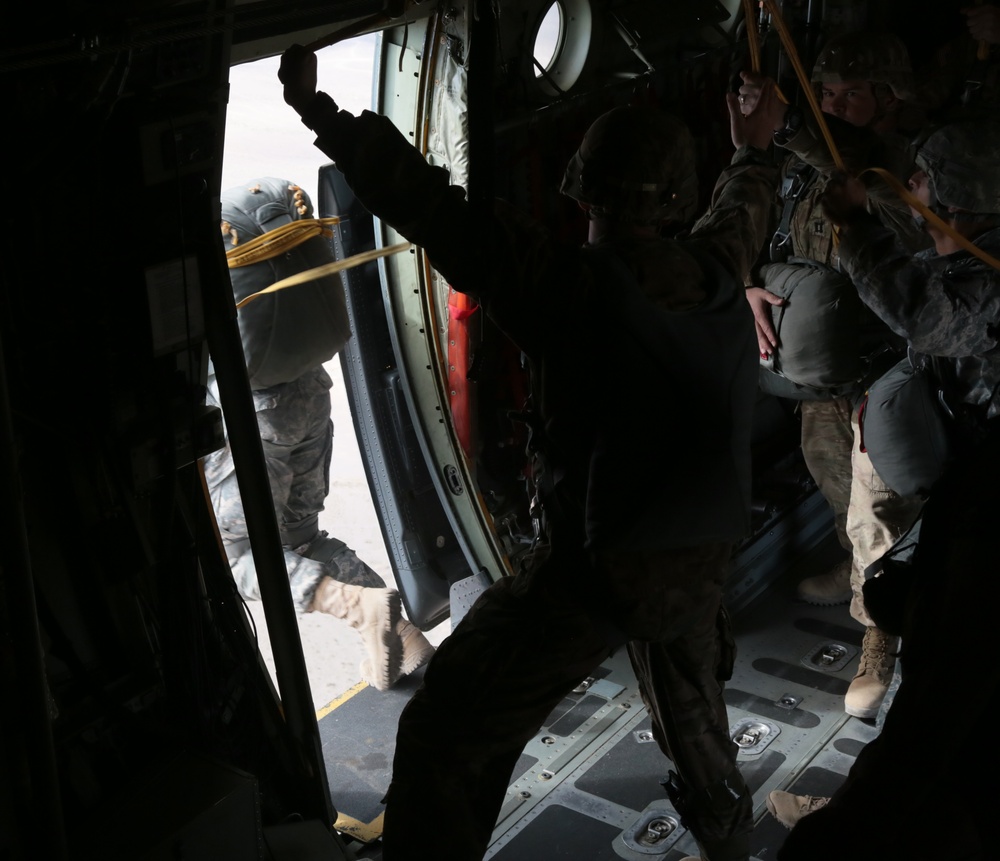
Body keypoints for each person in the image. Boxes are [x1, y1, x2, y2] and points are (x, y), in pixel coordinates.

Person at [277, 42, 786, 861]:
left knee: (448, 728)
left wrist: (320, 111)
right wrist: (753, 143)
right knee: (699, 736)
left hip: (593, 579)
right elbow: (745, 199)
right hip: (697, 567)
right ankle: (730, 845)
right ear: (676, 196)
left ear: (583, 186)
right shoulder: (719, 267)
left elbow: (432, 207)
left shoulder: (567, 290)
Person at [770, 120, 1000, 861]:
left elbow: (920, 311)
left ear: (960, 205)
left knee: (935, 706)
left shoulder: (984, 282)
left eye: (929, 185)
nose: (916, 191)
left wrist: (856, 225)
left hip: (991, 521)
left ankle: (852, 832)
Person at [739, 33, 930, 742]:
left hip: (891, 368)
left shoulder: (907, 167)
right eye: (824, 93)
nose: (832, 105)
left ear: (888, 100)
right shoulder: (799, 171)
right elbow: (753, 234)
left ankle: (879, 633)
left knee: (877, 506)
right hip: (825, 367)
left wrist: (788, 124)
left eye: (850, 93)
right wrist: (747, 285)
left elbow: (859, 177)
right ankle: (863, 571)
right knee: (836, 484)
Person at [206, 176, 434, 691]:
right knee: (303, 537)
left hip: (254, 423)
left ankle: (359, 607)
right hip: (309, 395)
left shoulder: (198, 256)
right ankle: (405, 635)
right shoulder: (272, 217)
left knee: (239, 556)